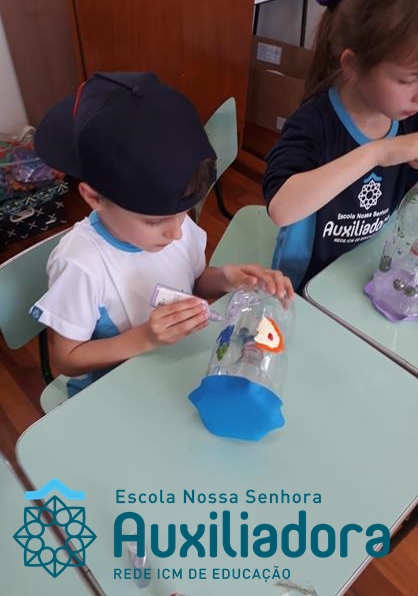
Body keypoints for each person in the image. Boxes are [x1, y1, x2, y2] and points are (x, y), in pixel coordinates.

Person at [32, 72, 294, 396]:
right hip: (117, 388)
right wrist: (145, 338)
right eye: (154, 222)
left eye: (183, 213)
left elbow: (191, 282)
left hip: (175, 366)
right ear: (94, 198)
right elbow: (67, 359)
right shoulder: (80, 265)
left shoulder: (175, 225)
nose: (176, 233)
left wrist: (227, 278)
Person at [263, 0, 418, 291]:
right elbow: (282, 209)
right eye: (405, 80)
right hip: (306, 286)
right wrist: (377, 153)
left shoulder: (409, 118)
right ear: (352, 65)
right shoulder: (314, 123)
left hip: (365, 274)